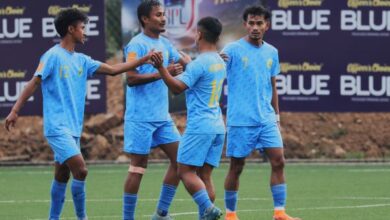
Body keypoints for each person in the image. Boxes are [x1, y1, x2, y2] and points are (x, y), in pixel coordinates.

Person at [4, 8, 155, 220]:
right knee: (81, 170)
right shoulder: (52, 56)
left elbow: (113, 70)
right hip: (57, 128)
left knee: (62, 174)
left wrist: (142, 60)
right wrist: (15, 110)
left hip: (73, 128)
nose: (86, 32)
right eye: (83, 28)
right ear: (70, 29)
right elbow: (34, 82)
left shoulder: (83, 60)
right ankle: (82, 217)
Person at [221, 5, 301, 220]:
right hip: (240, 119)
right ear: (245, 25)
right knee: (237, 166)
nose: (255, 27)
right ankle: (230, 214)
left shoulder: (272, 52)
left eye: (259, 23)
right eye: (251, 23)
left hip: (266, 118)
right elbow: (214, 68)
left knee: (279, 160)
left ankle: (279, 212)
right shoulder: (231, 50)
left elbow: (272, 85)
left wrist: (276, 116)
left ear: (267, 25)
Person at [121, 1, 191, 220]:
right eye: (158, 15)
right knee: (138, 167)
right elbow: (130, 79)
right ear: (145, 19)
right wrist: (162, 73)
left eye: (164, 15)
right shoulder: (136, 45)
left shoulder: (166, 43)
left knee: (182, 161)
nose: (163, 18)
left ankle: (161, 213)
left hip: (162, 117)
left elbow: (185, 62)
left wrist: (209, 59)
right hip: (140, 118)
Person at [152, 16, 226, 220]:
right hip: (218, 126)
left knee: (184, 171)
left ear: (200, 34)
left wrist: (160, 68)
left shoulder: (199, 64)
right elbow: (203, 78)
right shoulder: (219, 60)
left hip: (200, 126)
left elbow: (176, 88)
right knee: (205, 176)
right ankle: (206, 214)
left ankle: (208, 209)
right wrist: (190, 64)